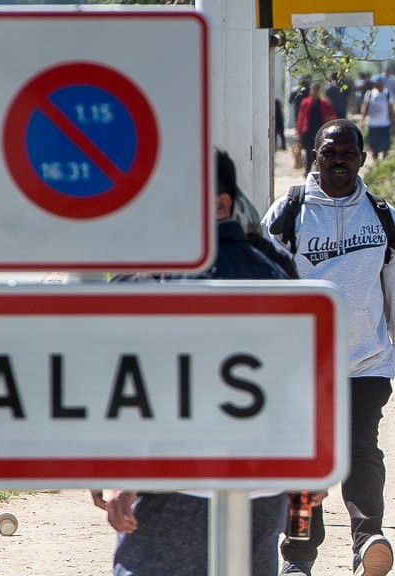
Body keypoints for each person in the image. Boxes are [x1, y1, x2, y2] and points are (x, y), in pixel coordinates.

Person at [96, 150, 293, 576]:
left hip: (176, 492)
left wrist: (122, 471)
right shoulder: (282, 271)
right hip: (264, 491)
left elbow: (150, 387)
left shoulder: (165, 278)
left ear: (221, 204)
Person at [261, 118, 395, 576]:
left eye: (347, 153)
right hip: (300, 369)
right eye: (329, 153)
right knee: (303, 464)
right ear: (315, 157)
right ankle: (297, 556)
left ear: (361, 158)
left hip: (365, 364)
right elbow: (259, 286)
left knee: (361, 456)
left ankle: (368, 540)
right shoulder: (288, 212)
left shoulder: (381, 216)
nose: (338, 160)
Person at [296, 83, 337, 177]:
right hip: (308, 131)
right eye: (313, 90)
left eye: (316, 90)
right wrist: (298, 132)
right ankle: (307, 169)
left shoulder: (324, 103)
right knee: (308, 151)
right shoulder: (305, 102)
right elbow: (300, 117)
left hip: (320, 131)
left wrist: (333, 126)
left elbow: (332, 115)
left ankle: (318, 169)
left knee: (319, 150)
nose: (314, 92)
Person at [361, 75, 395, 162]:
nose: (377, 85)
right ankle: (375, 161)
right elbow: (365, 107)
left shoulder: (387, 94)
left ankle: (384, 162)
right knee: (373, 145)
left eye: (379, 84)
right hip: (373, 125)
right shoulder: (369, 94)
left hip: (384, 124)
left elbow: (391, 110)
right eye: (376, 84)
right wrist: (363, 120)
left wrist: (394, 123)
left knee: (385, 146)